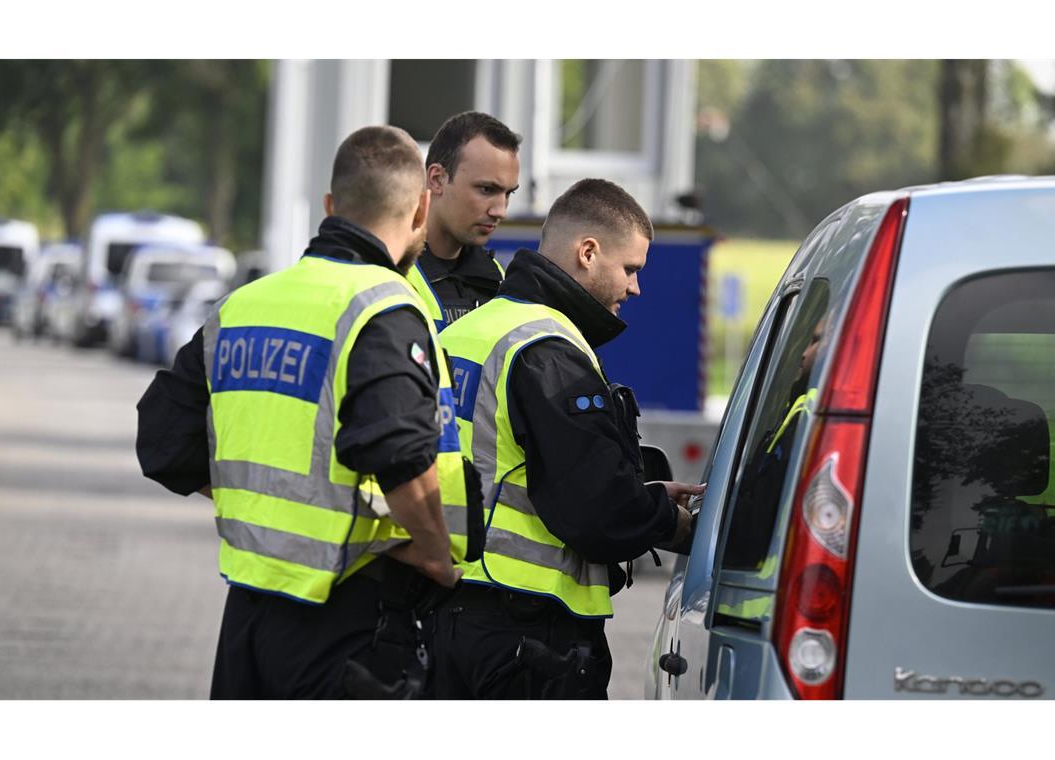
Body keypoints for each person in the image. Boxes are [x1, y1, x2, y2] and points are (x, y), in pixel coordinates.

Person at [135, 125, 476, 699]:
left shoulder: (244, 304)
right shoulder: (384, 308)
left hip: (247, 614)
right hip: (348, 617)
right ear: (422, 208)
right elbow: (398, 453)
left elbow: (164, 441)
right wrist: (438, 557)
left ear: (330, 207)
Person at [430, 178, 705, 699]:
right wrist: (670, 520)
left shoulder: (467, 331)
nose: (635, 288)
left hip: (446, 615)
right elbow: (597, 509)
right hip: (528, 634)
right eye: (630, 269)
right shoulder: (549, 351)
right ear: (587, 252)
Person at [406, 111, 521, 331]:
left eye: (508, 194)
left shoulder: (498, 279)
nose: (500, 211)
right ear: (437, 179)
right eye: (486, 189)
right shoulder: (386, 271)